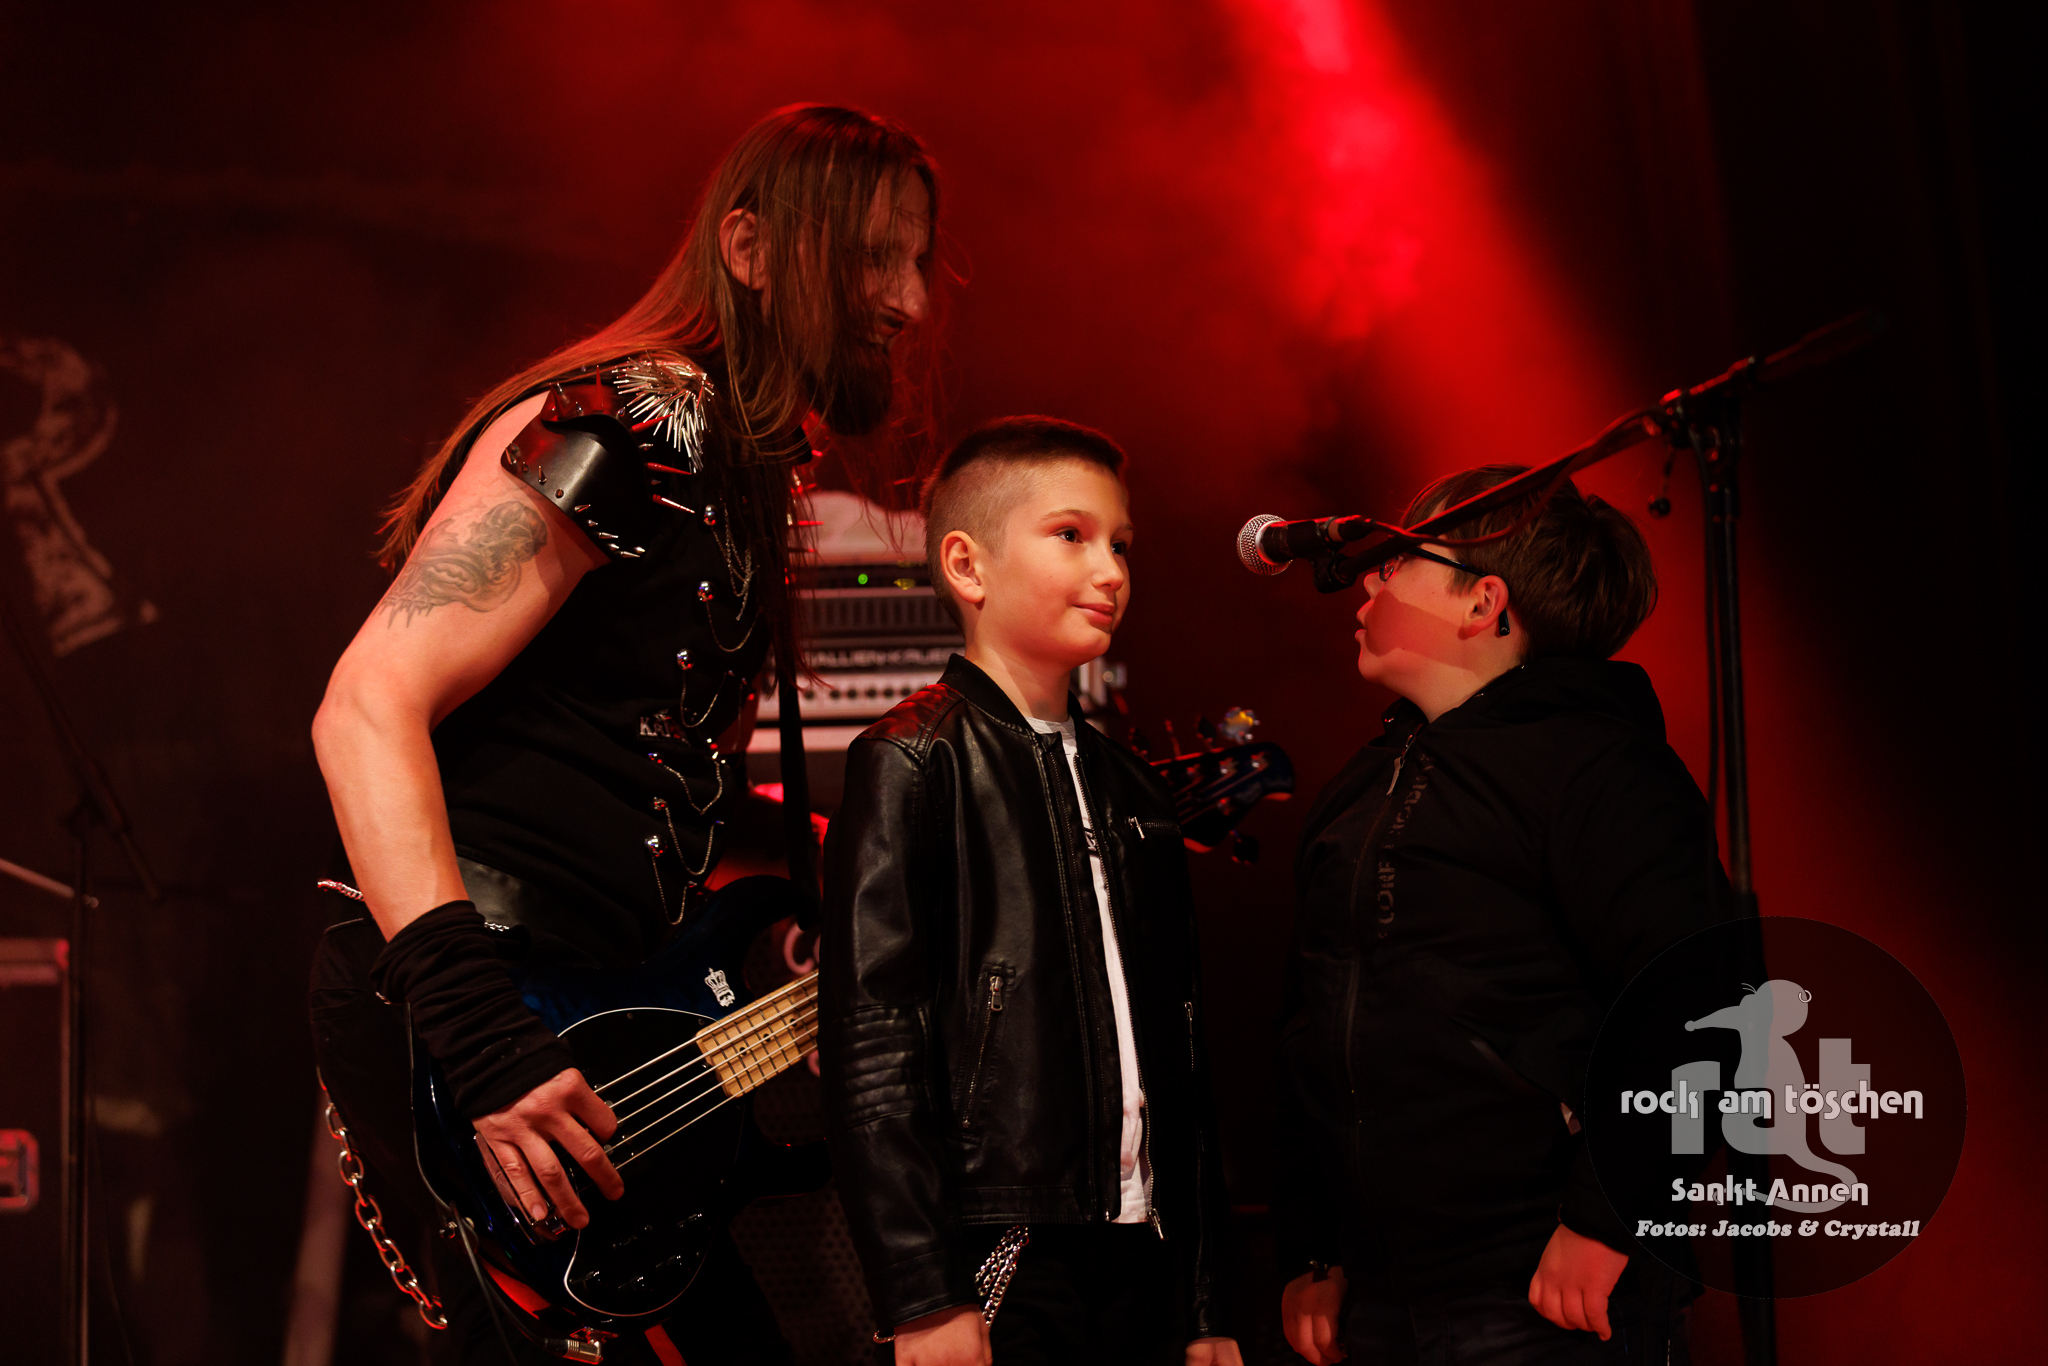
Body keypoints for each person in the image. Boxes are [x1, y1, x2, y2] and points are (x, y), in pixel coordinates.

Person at [307, 103, 940, 1364]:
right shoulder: (643, 419)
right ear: (748, 249)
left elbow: (638, 774)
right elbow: (366, 705)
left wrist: (841, 877)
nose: (910, 301)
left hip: (599, 1002)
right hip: (483, 1003)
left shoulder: (747, 465)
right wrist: (484, 1043)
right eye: (874, 258)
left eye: (917, 263)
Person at [1273, 465, 1732, 1365]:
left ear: (1484, 602)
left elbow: (1698, 1005)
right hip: (1379, 1295)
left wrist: (1606, 1217)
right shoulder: (1361, 787)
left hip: (1540, 1286)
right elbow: (1306, 1026)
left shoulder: (1598, 768)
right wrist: (1313, 1247)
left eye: (1400, 561)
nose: (1369, 581)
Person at [818, 418, 1242, 1366]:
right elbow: (873, 1044)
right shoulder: (911, 760)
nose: (1110, 571)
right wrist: (924, 1292)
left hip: (1146, 1260)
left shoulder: (1133, 789)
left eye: (1121, 544)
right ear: (966, 565)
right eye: (1071, 535)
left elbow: (1182, 1049)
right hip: (1001, 1251)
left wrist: (1208, 1302)